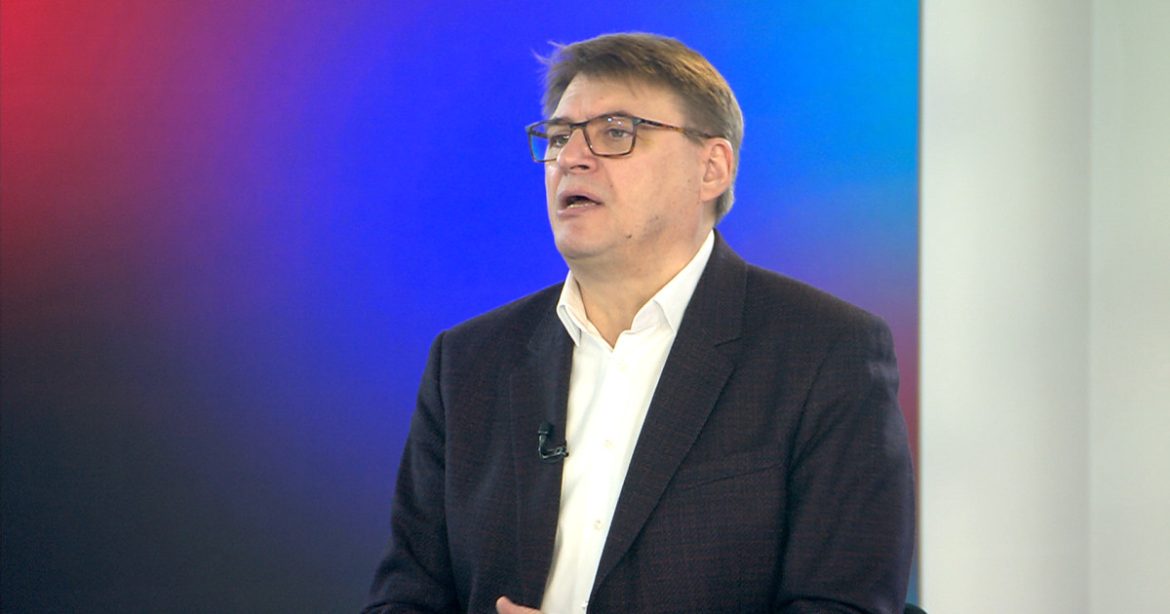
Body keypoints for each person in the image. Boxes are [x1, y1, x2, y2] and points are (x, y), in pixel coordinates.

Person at [365, 32, 914, 614]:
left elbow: (842, 604)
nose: (571, 158)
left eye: (615, 133)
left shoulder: (825, 352)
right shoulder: (468, 362)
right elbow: (406, 597)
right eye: (559, 137)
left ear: (712, 168)